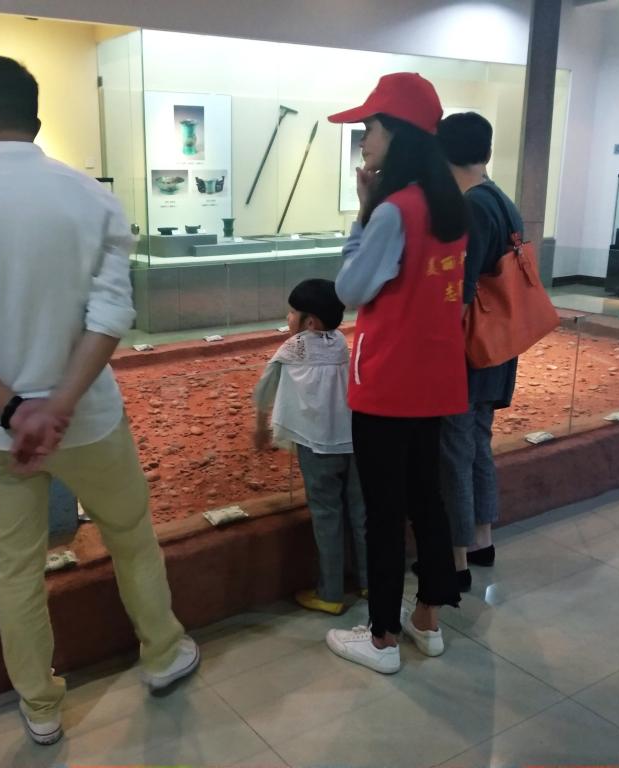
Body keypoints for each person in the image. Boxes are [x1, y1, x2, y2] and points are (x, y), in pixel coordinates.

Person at [0, 55, 198, 747]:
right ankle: (162, 654)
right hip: (88, 418)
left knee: (16, 566)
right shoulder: (91, 198)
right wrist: (59, 405)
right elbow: (111, 315)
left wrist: (16, 412)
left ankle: (40, 704)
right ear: (33, 118)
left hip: (0, 431)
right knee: (130, 535)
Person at [323, 73, 468, 675]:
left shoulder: (394, 211)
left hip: (387, 383)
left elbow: (350, 289)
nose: (364, 138)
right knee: (426, 499)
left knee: (383, 510)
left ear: (398, 133)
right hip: (434, 378)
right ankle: (427, 619)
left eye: (370, 127)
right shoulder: (449, 206)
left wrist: (363, 213)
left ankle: (381, 636)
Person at [430, 111, 521, 588]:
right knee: (477, 444)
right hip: (500, 343)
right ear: (486, 150)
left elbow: (460, 294)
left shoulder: (470, 207)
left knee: (455, 452)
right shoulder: (503, 200)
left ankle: (456, 560)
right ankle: (482, 540)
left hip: (470, 349)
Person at [252, 279, 368, 615]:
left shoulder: (294, 348)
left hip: (317, 446)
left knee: (326, 515)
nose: (288, 317)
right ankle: (370, 581)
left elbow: (264, 388)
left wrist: (260, 426)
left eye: (293, 312)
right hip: (353, 440)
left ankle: (330, 593)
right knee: (361, 512)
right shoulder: (341, 343)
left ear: (310, 322)